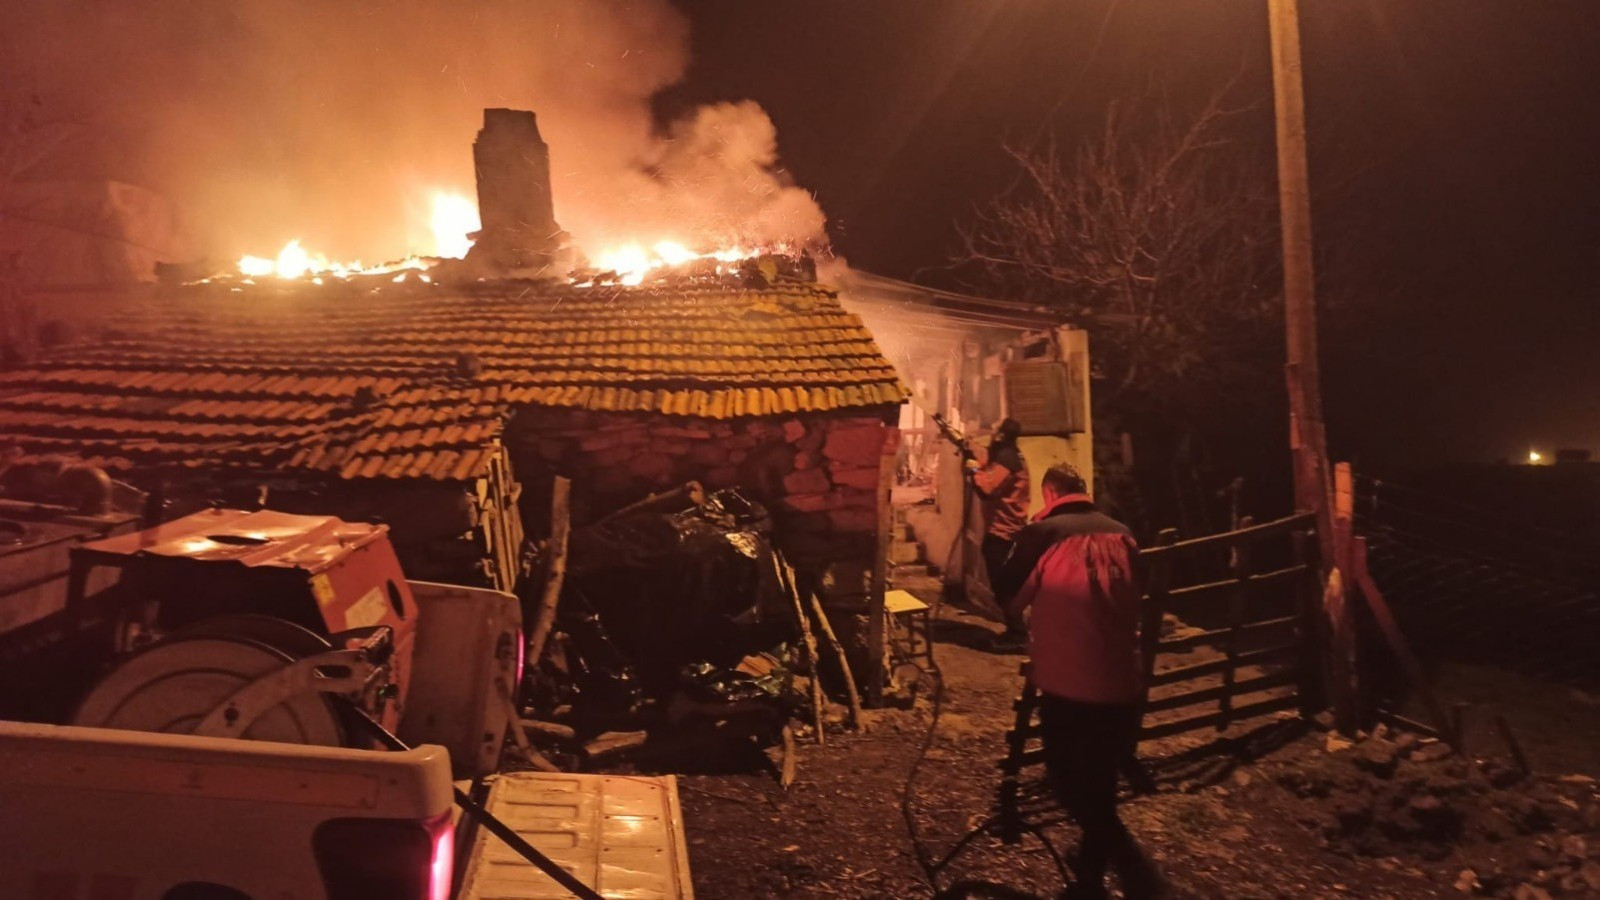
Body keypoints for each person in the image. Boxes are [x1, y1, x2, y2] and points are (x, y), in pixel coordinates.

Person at [993, 464, 1165, 899]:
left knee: (1070, 783)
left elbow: (1011, 602)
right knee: (1101, 781)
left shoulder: (1043, 535)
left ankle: (1131, 879)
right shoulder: (1124, 534)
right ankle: (1090, 878)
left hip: (1068, 683)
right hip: (1122, 681)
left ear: (1050, 493)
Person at [969, 417, 1029, 605]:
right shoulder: (1010, 455)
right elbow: (989, 465)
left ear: (1001, 435)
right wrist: (971, 447)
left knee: (1003, 585)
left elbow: (988, 489)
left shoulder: (1007, 459)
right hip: (1006, 528)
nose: (991, 432)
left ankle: (1017, 630)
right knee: (1005, 582)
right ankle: (1014, 628)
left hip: (1004, 530)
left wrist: (973, 471)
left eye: (995, 430)